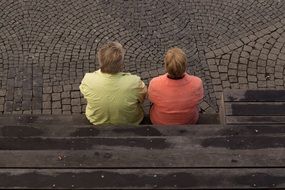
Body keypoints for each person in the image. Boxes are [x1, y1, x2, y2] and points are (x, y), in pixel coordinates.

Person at [79, 42, 147, 125]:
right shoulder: (135, 82)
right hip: (130, 122)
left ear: (100, 61)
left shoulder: (88, 80)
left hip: (96, 120)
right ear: (121, 64)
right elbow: (142, 98)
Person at [148, 47, 204, 125]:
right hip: (189, 122)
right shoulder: (197, 83)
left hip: (159, 122)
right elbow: (199, 99)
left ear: (166, 66)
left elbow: (152, 99)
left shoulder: (154, 83)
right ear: (185, 65)